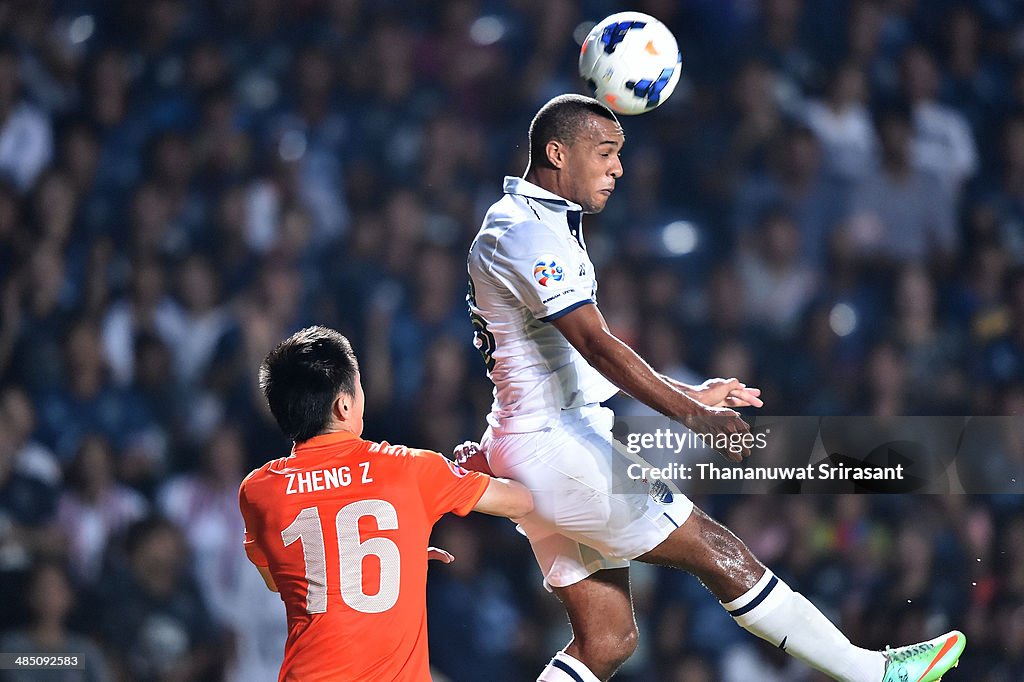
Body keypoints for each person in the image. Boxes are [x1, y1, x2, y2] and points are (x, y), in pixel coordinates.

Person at [464, 93, 965, 682]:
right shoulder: (528, 235)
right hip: (556, 448)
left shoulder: (528, 225)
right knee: (716, 550)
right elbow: (598, 345)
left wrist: (690, 393)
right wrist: (693, 418)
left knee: (607, 638)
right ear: (557, 152)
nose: (619, 168)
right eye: (605, 153)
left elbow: (573, 361)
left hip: (537, 441)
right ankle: (870, 672)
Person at [238, 325, 533, 681]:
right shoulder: (410, 468)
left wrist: (378, 557)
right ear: (344, 404)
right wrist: (486, 463)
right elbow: (521, 502)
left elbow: (281, 578)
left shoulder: (258, 491)